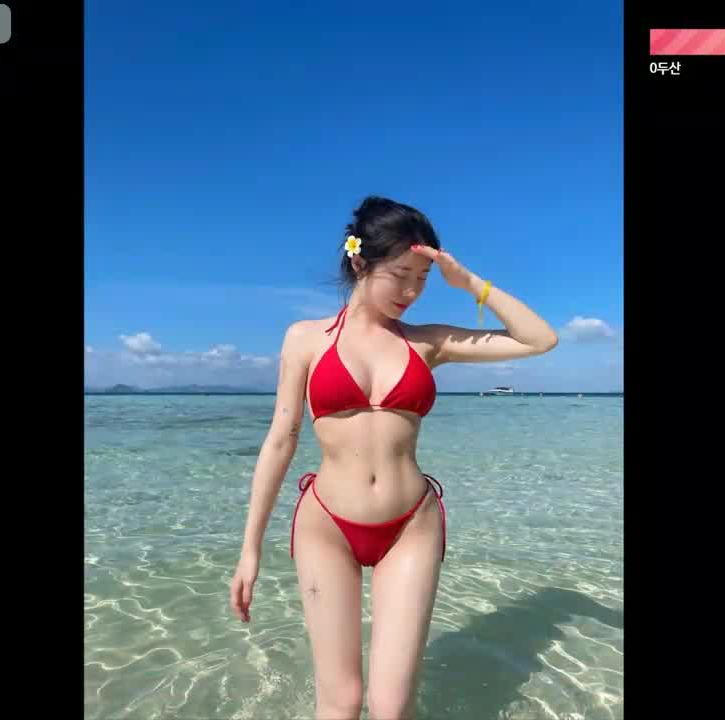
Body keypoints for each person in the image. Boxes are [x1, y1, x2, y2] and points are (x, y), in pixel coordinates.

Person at [230, 195, 559, 719]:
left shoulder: (429, 343)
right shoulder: (305, 339)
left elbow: (540, 339)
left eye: (423, 280)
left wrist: (470, 283)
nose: (411, 292)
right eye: (401, 275)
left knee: (391, 705)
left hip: (410, 527)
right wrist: (250, 549)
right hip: (327, 527)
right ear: (360, 262)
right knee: (340, 702)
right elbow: (281, 440)